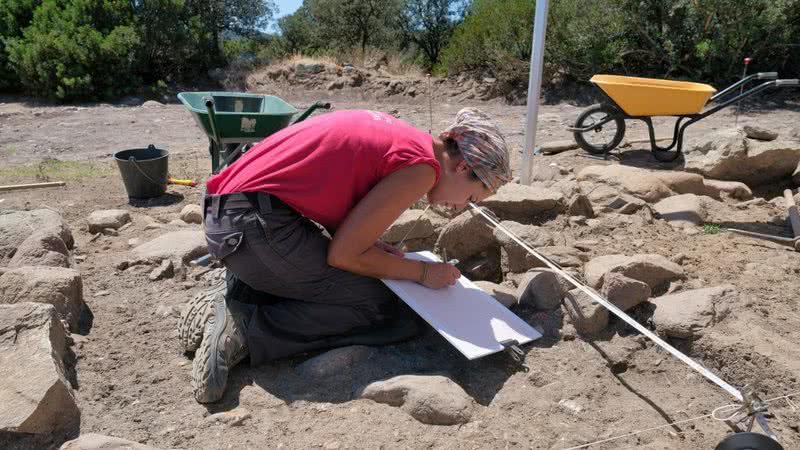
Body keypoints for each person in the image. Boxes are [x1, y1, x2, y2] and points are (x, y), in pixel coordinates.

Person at [190, 107, 511, 403]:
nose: (461, 207)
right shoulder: (422, 169)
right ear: (464, 165)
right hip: (251, 228)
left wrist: (369, 244)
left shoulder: (409, 142)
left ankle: (244, 289)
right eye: (472, 196)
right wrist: (424, 273)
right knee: (377, 304)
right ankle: (247, 328)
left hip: (234, 218)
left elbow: (331, 186)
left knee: (371, 272)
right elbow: (343, 255)